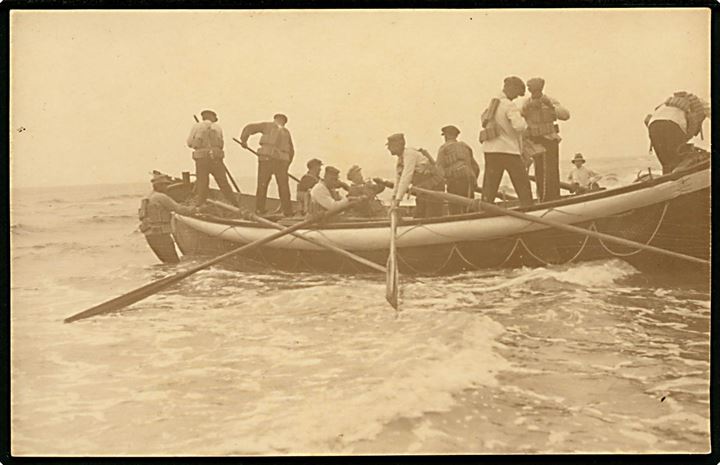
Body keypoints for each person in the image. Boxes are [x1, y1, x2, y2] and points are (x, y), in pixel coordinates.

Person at [478, 76, 534, 207]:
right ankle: (529, 208)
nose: (516, 98)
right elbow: (519, 126)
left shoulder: (492, 104)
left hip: (490, 150)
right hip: (508, 150)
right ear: (511, 88)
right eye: (516, 94)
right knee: (522, 182)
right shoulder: (509, 105)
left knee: (490, 185)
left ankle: (485, 210)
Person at [521, 77, 570, 202]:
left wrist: (549, 105)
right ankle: (543, 198)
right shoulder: (526, 103)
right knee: (540, 171)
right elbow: (519, 118)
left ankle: (553, 197)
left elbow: (565, 115)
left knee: (552, 170)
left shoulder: (550, 100)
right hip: (535, 141)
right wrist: (527, 108)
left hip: (549, 139)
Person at [239, 113, 295, 216]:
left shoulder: (267, 126)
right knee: (283, 186)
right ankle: (287, 211)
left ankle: (260, 210)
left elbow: (249, 128)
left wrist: (244, 140)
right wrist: (287, 165)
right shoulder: (286, 132)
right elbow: (291, 151)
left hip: (266, 160)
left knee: (262, 185)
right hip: (281, 162)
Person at [645, 91, 710, 174]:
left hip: (653, 127)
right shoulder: (699, 103)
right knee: (681, 160)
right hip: (672, 125)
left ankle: (667, 181)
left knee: (667, 163)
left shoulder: (667, 103)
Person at [138, 173, 197, 264]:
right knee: (174, 262)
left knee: (166, 263)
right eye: (165, 185)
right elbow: (179, 209)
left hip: (150, 236)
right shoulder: (161, 197)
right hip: (161, 236)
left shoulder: (148, 197)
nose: (167, 187)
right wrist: (195, 209)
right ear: (159, 185)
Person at [186, 110, 239, 207]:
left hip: (202, 159)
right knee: (223, 183)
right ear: (213, 118)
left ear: (203, 117)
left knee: (202, 183)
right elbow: (221, 144)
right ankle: (235, 204)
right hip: (216, 159)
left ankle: (200, 205)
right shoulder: (218, 127)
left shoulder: (197, 126)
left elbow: (189, 143)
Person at [386, 133, 445, 219]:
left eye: (390, 146)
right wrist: (394, 198)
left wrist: (398, 200)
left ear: (398, 145)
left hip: (434, 186)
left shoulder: (410, 154)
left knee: (432, 215)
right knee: (419, 215)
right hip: (423, 189)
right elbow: (398, 181)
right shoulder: (400, 159)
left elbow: (406, 177)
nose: (388, 148)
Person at [436, 125, 479, 214]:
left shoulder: (443, 148)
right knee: (469, 206)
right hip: (469, 181)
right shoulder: (465, 146)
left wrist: (443, 184)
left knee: (455, 208)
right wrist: (474, 180)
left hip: (455, 180)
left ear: (446, 136)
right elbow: (476, 167)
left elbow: (439, 169)